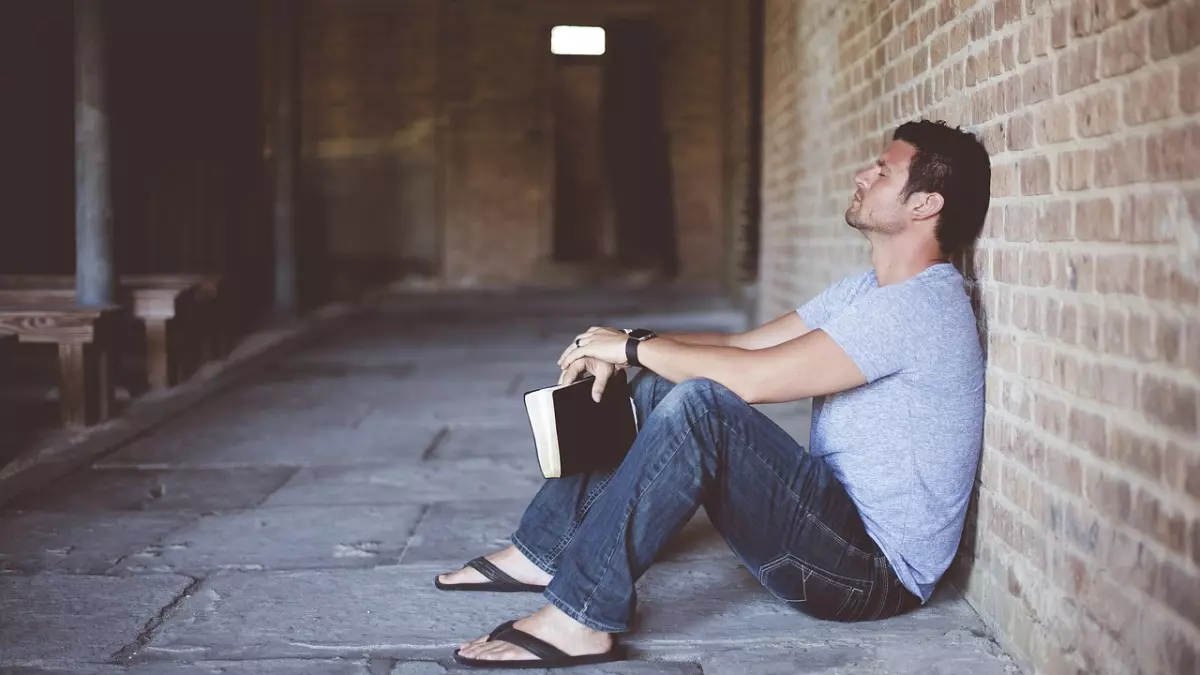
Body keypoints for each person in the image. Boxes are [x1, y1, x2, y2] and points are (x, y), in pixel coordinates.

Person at [436, 119, 992, 669]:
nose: (861, 174)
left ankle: (581, 615)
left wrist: (629, 348)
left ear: (925, 205)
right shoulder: (866, 290)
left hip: (867, 575)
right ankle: (543, 552)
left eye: (882, 170)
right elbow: (739, 345)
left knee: (701, 405)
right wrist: (624, 344)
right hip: (830, 524)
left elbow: (752, 381)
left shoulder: (920, 307)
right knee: (663, 381)